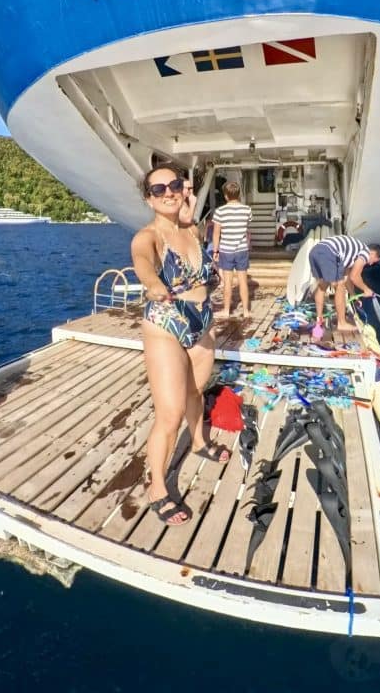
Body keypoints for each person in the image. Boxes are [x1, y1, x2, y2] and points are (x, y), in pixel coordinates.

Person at [131, 163, 230, 528]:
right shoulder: (149, 235)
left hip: (201, 320)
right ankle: (157, 486)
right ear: (148, 198)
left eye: (174, 185)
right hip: (166, 324)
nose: (169, 192)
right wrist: (151, 281)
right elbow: (142, 259)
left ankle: (200, 442)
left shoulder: (191, 226)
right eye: (159, 190)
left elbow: (203, 260)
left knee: (196, 391)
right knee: (169, 415)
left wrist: (189, 215)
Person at [309, 235, 380, 334]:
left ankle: (319, 319)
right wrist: (366, 289)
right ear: (372, 253)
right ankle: (342, 323)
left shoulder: (352, 253)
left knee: (322, 286)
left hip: (315, 251)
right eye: (374, 261)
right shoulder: (365, 252)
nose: (370, 264)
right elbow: (354, 276)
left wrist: (353, 296)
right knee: (340, 287)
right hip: (329, 253)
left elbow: (347, 278)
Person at [212, 180, 253, 319]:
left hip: (226, 250)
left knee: (227, 283)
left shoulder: (220, 211)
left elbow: (216, 233)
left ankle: (226, 310)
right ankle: (246, 311)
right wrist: (247, 244)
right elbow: (247, 230)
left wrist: (215, 251)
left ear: (225, 196)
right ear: (239, 194)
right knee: (243, 281)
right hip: (241, 250)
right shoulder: (247, 210)